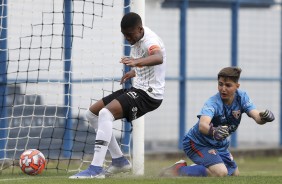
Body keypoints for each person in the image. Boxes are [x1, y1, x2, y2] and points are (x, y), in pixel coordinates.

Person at [69, 12, 166, 179]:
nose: (127, 38)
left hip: (149, 95)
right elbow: (150, 65)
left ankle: (95, 169)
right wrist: (135, 72)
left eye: (130, 34)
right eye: (124, 35)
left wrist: (136, 62)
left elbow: (158, 57)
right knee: (92, 114)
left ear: (140, 29)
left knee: (106, 113)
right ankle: (119, 161)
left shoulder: (150, 41)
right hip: (139, 89)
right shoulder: (137, 37)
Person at [159, 66, 275, 177]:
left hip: (218, 145)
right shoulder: (213, 103)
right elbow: (203, 125)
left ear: (237, 86)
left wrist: (264, 117)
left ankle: (200, 166)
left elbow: (257, 117)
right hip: (197, 143)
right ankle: (178, 170)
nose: (223, 89)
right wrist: (214, 131)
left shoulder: (242, 97)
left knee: (234, 174)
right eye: (220, 84)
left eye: (228, 85)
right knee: (220, 173)